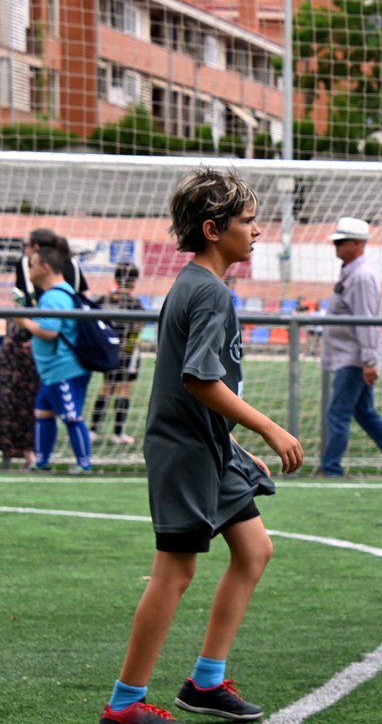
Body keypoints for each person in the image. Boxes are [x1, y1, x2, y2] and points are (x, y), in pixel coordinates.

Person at [98, 169, 304, 724]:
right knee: (175, 572)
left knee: (255, 550)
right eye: (247, 221)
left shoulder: (200, 285)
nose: (257, 231)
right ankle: (124, 705)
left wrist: (232, 447)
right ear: (214, 229)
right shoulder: (208, 291)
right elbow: (199, 380)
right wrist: (269, 428)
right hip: (184, 452)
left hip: (208, 447)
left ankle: (206, 683)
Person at [317, 217, 382, 479]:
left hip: (352, 359)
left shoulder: (362, 277)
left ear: (357, 244)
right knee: (363, 412)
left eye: (342, 242)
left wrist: (368, 361)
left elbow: (365, 322)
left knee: (339, 413)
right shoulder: (353, 272)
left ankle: (331, 468)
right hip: (351, 356)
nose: (336, 247)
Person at [12, 240, 94, 473]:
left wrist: (22, 320)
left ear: (45, 267)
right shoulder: (55, 294)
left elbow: (50, 331)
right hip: (52, 370)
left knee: (71, 415)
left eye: (32, 265)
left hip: (64, 369)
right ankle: (43, 462)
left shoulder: (55, 297)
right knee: (43, 412)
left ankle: (84, 464)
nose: (29, 271)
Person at [90, 262, 147, 445]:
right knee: (123, 388)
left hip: (108, 349)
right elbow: (140, 325)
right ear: (132, 282)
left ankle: (93, 430)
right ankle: (118, 433)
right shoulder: (134, 303)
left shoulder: (104, 299)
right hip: (128, 349)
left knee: (106, 387)